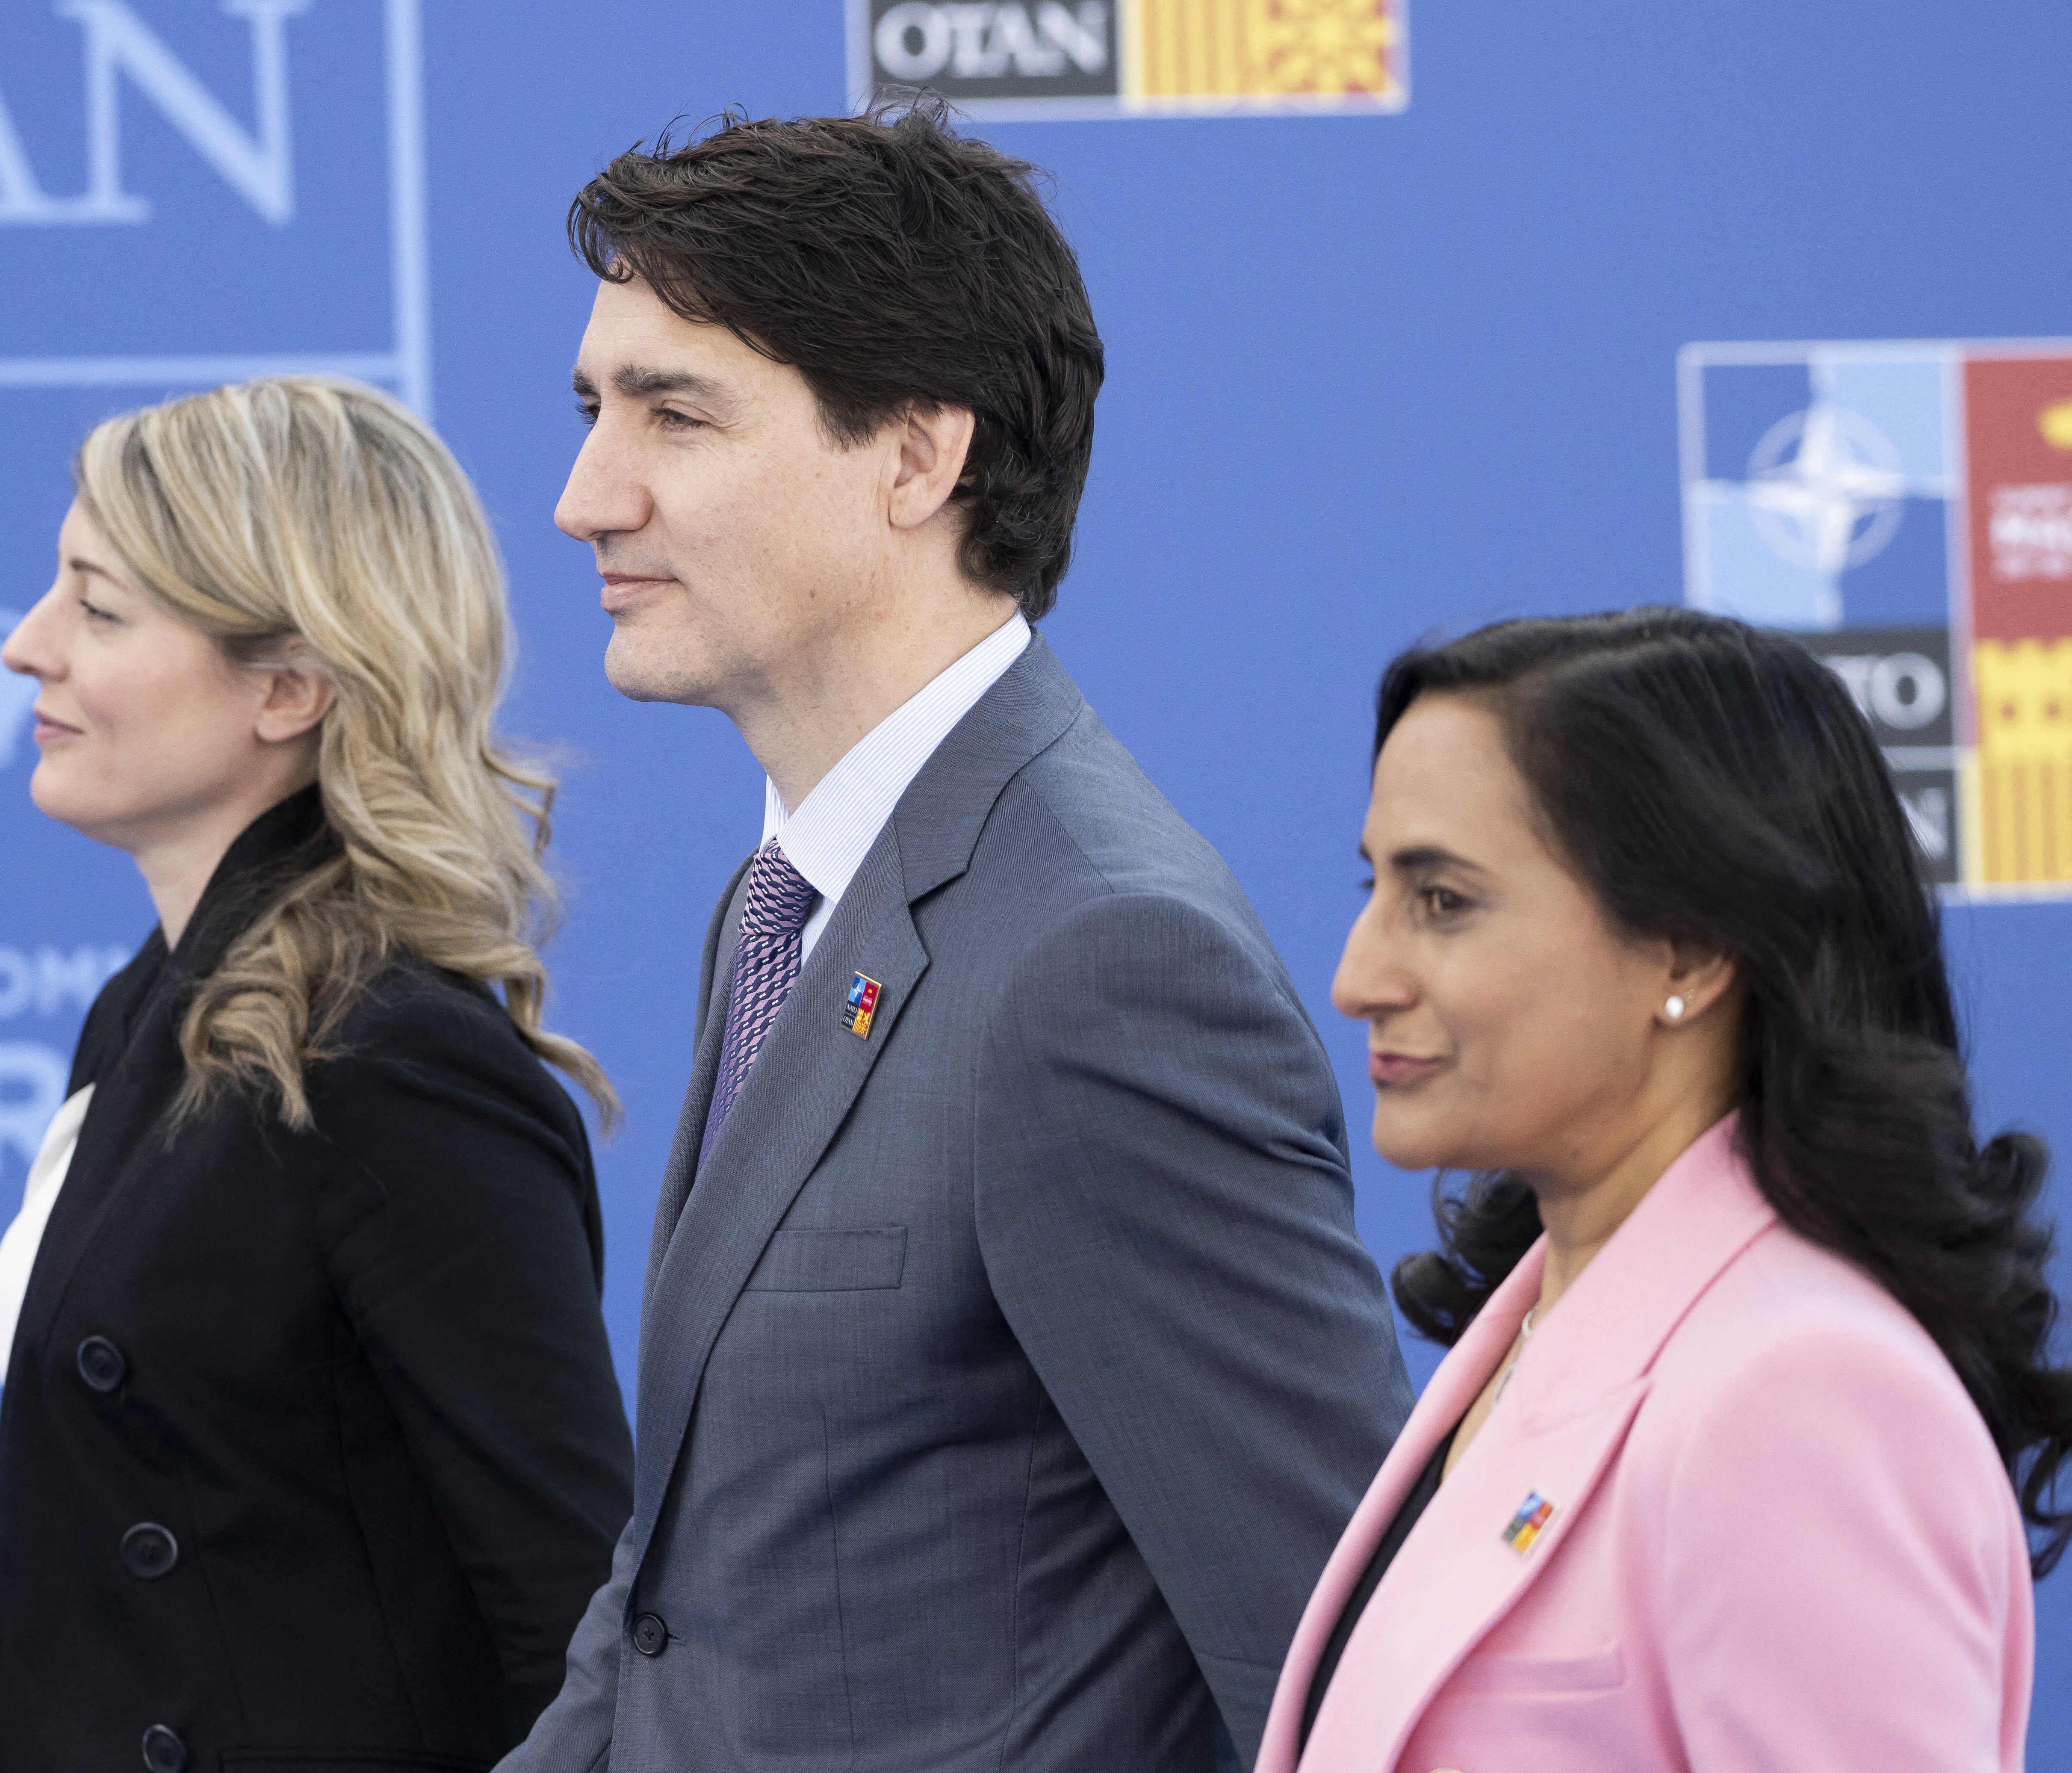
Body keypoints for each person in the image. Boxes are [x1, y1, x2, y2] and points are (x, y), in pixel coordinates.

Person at [502, 101, 1413, 1773]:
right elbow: (678, 1591)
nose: (582, 495)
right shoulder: (788, 899)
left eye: (674, 415)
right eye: (590, 410)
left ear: (917, 456)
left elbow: (1334, 1659)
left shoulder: (1101, 958)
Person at [0, 377, 636, 1773]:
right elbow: (82, 1573)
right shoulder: (147, 1012)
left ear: (288, 686)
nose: (25, 647)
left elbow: (573, 1611)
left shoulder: (394, 1065)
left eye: (98, 609)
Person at [1262, 607, 2068, 1771]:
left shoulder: (1800, 1393)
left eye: (1441, 900)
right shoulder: (1544, 1322)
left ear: (1686, 952)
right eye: (1373, 886)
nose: (1355, 975)